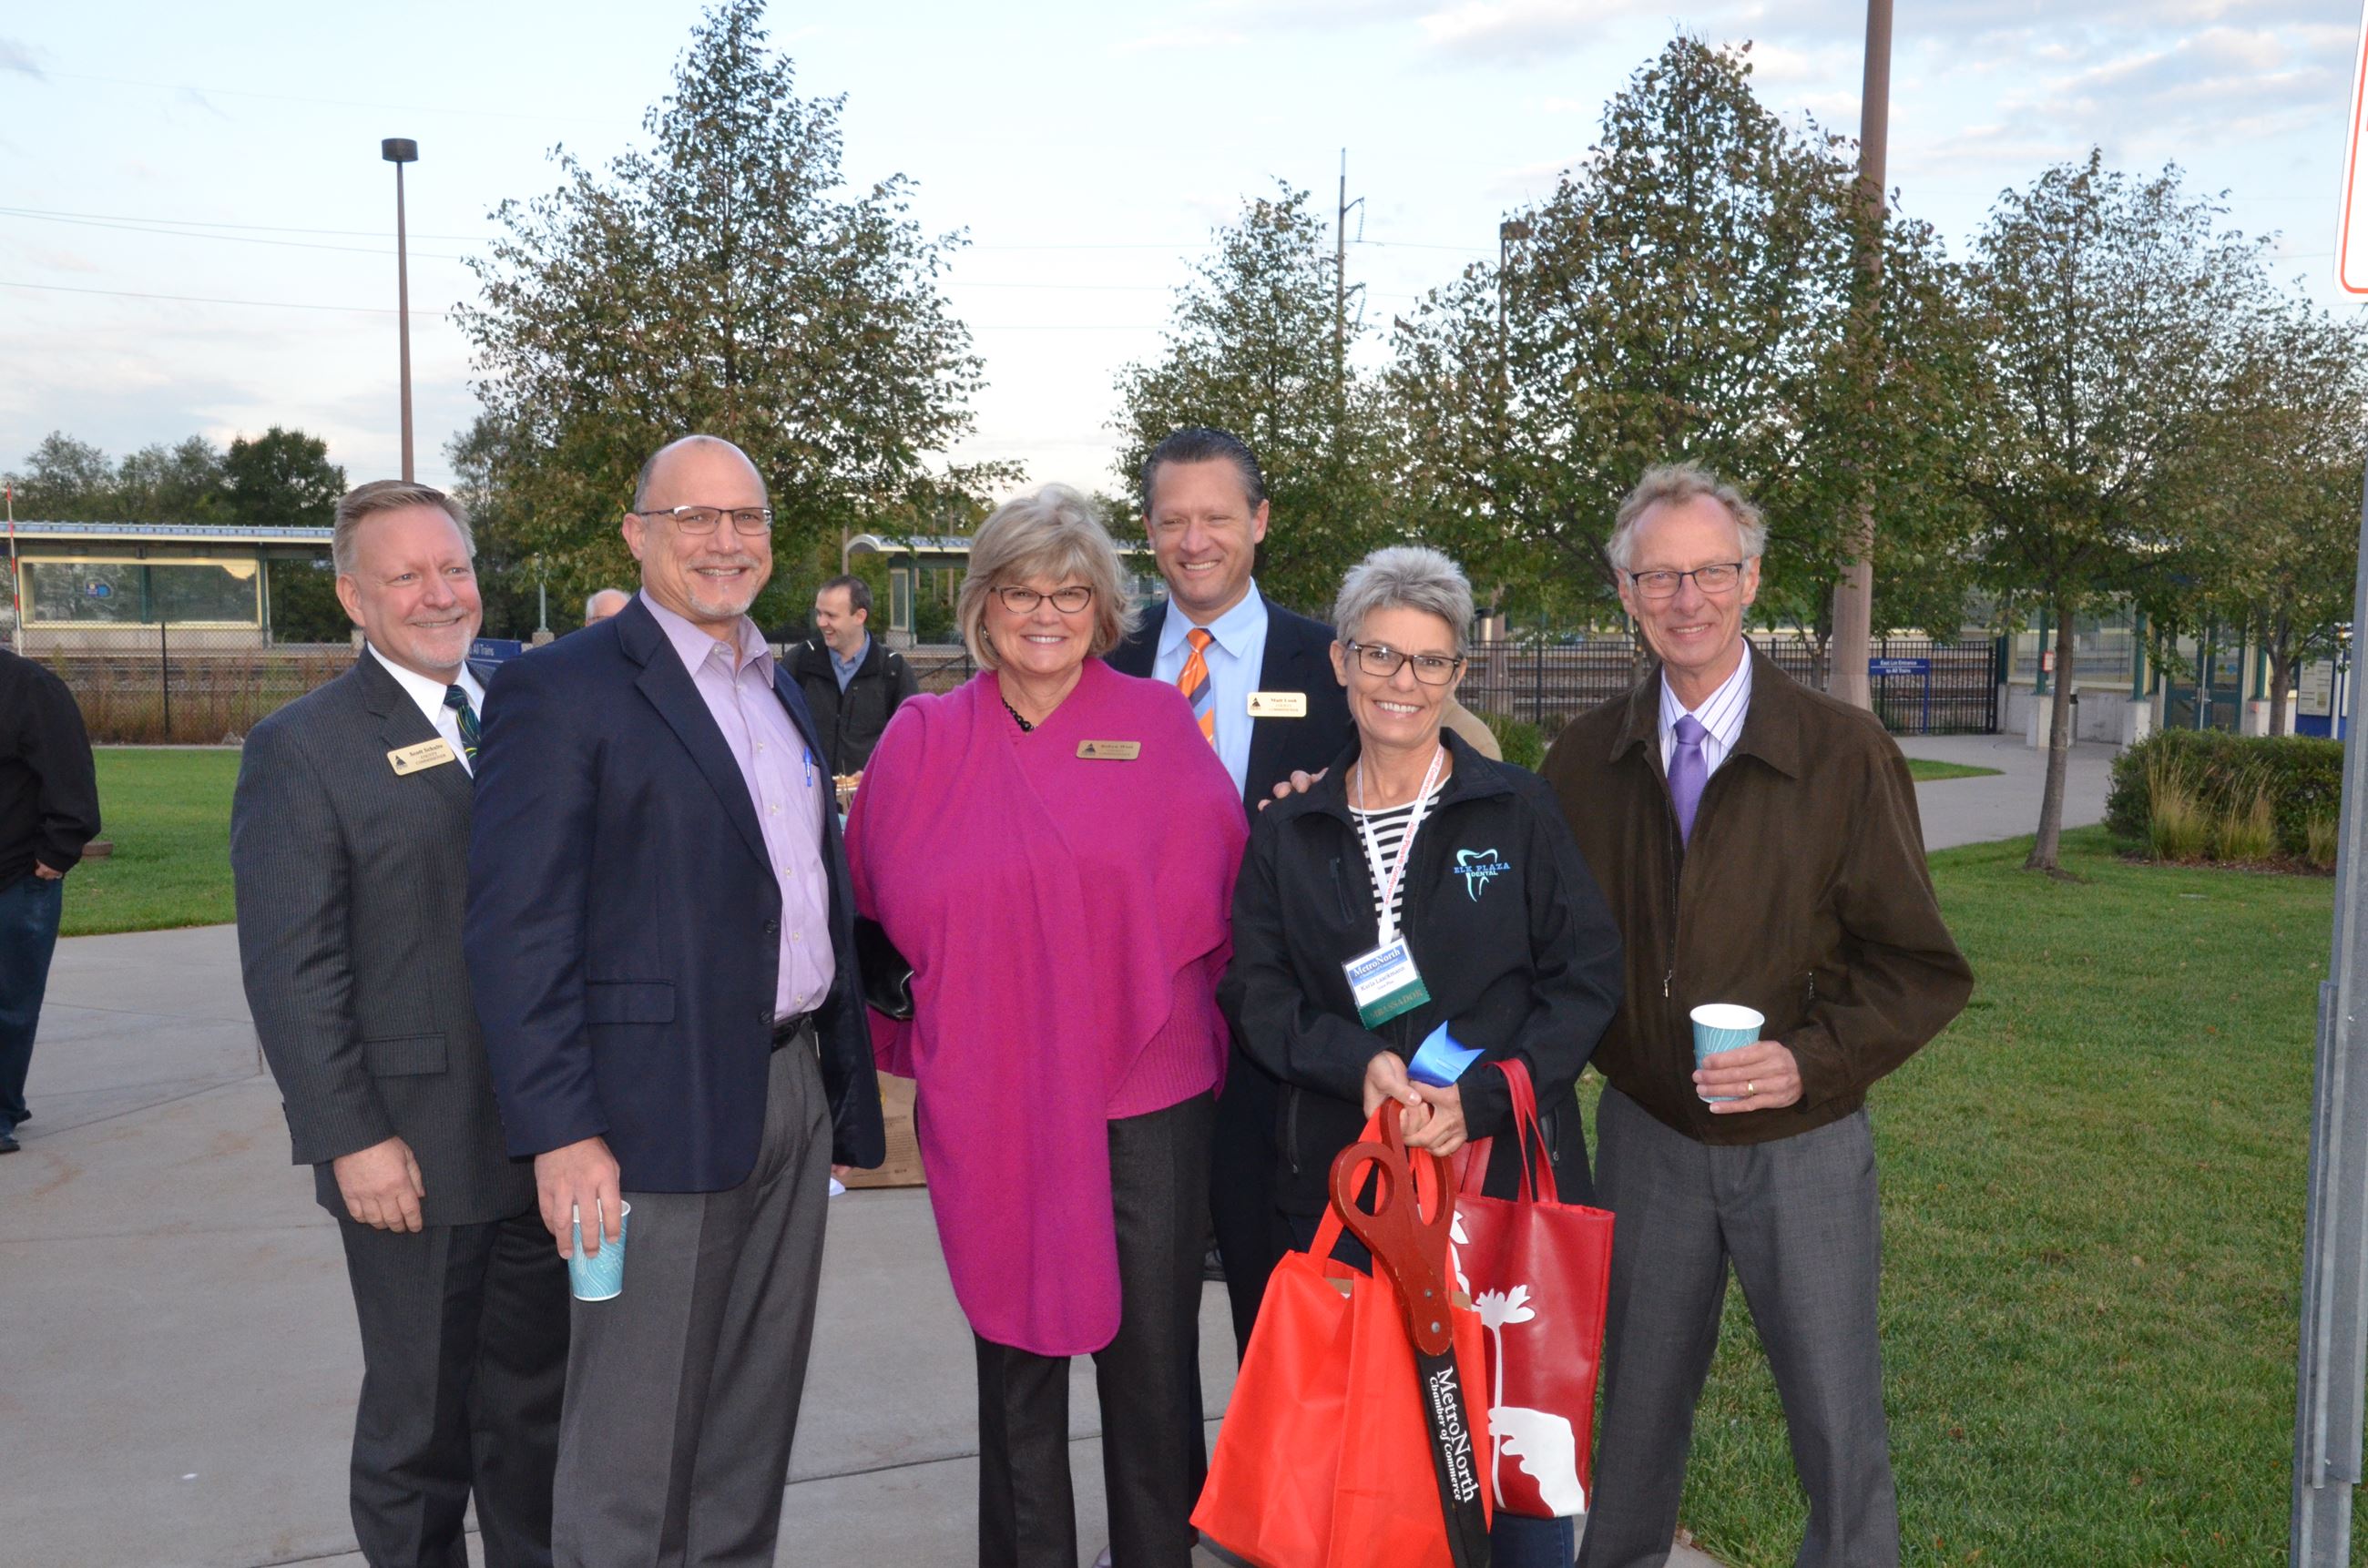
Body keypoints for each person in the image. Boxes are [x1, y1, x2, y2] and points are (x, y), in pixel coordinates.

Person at [465, 435, 885, 1568]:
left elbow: (803, 892)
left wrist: (839, 1096)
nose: (724, 542)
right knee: (630, 1444)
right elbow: (518, 930)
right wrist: (561, 1132)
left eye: (744, 520)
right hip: (644, 1119)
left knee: (749, 1420)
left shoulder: (777, 684)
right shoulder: (561, 691)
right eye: (692, 517)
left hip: (787, 1089)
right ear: (636, 533)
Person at [1545, 464, 1973, 1568]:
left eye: (1709, 572)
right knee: (1631, 1420)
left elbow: (1917, 968)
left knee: (1835, 1422)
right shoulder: (1582, 760)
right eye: (1658, 577)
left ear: (1750, 579)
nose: (1685, 598)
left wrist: (1807, 1064)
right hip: (1645, 1136)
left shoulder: (1841, 752)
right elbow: (1543, 945)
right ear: (1625, 593)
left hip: (1802, 1146)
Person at [846, 483, 1246, 1568]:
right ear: (981, 603)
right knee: (1014, 1357)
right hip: (997, 1091)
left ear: (1102, 606)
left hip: (1144, 1093)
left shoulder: (1156, 725)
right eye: (1020, 589)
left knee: (1153, 1362)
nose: (1044, 613)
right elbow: (872, 914)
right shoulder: (921, 739)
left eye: (1070, 591)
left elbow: (1219, 891)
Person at [1219, 544, 1623, 1568]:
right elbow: (1254, 994)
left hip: (1492, 1193)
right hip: (1342, 1191)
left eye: (1429, 662)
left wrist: (1483, 1099)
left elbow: (1583, 981)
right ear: (1342, 666)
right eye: (1380, 657)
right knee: (1354, 1469)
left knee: (1502, 1462)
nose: (1403, 684)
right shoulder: (1290, 834)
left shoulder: (1516, 810)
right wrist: (1353, 1062)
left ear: (1456, 676)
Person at [230, 479, 568, 1568]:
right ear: (353, 600)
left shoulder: (529, 706)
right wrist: (347, 1136)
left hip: (549, 1137)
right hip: (412, 1152)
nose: (439, 594)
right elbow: (292, 967)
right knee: (419, 1431)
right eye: (406, 576)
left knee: (534, 1420)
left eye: (454, 567)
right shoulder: (304, 748)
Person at [1103, 425, 1353, 1359]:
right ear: (1149, 530)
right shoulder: (1103, 661)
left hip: (1280, 1044)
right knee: (1143, 1334)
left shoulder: (1333, 669)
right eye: (1173, 520)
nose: (1194, 540)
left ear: (1259, 522)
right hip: (1140, 1032)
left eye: (1215, 517)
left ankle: (1280, 1507)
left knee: (1283, 1316)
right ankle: (1171, 1507)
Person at [0, 646, 99, 1156]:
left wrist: (56, 854)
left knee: (9, 1006)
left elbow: (71, 777)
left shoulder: (29, 687)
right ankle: (8, 1100)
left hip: (18, 877)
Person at [791, 573, 918, 776]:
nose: (821, 622)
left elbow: (911, 742)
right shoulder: (800, 661)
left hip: (869, 799)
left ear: (860, 616)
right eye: (819, 613)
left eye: (831, 615)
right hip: (809, 797)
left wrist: (878, 774)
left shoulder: (893, 671)